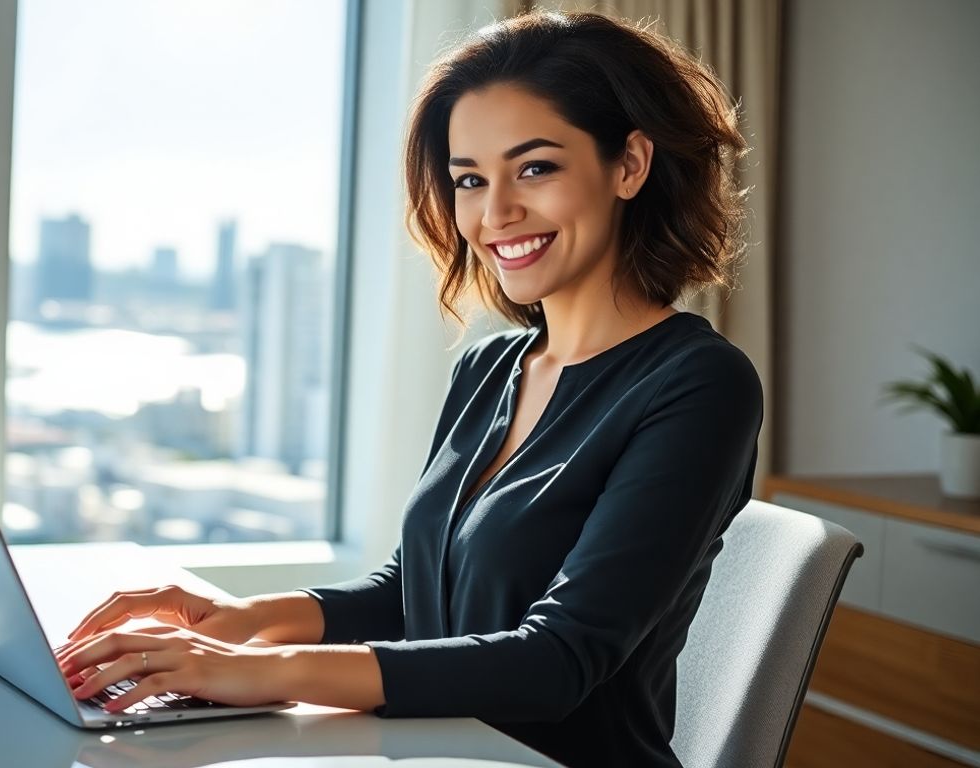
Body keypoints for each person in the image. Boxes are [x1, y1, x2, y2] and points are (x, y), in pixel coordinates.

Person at [52, 9, 763, 767]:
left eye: (535, 168)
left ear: (629, 165)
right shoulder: (489, 368)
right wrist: (239, 620)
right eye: (469, 179)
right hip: (428, 751)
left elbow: (557, 662)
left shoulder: (699, 384)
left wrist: (256, 672)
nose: (495, 214)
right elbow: (415, 593)